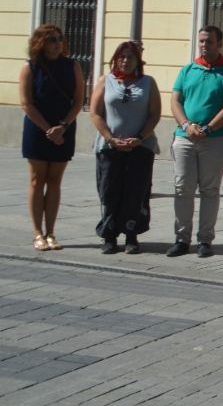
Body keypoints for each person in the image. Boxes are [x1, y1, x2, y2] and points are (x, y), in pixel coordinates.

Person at [169, 26, 223, 258]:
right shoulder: (188, 70)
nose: (204, 45)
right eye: (201, 41)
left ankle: (205, 240)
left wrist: (209, 127)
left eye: (209, 42)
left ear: (218, 44)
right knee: (183, 188)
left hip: (216, 140)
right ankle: (182, 238)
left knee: (209, 190)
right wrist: (186, 125)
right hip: (185, 138)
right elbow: (175, 101)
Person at [89, 40, 159, 254]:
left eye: (130, 57)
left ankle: (131, 235)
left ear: (138, 60)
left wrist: (139, 137)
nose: (125, 61)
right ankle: (109, 235)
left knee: (135, 192)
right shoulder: (105, 81)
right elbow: (95, 113)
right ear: (115, 59)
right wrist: (110, 138)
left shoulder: (148, 82)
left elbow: (154, 114)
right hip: (110, 147)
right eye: (122, 56)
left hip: (140, 147)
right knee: (109, 191)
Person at [20, 24, 84, 252]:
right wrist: (48, 129)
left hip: (64, 128)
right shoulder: (31, 67)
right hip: (38, 129)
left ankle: (51, 232)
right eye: (52, 40)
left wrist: (62, 127)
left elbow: (78, 101)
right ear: (41, 43)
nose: (58, 43)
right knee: (37, 180)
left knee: (55, 181)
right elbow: (26, 103)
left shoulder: (72, 65)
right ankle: (37, 233)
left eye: (59, 39)